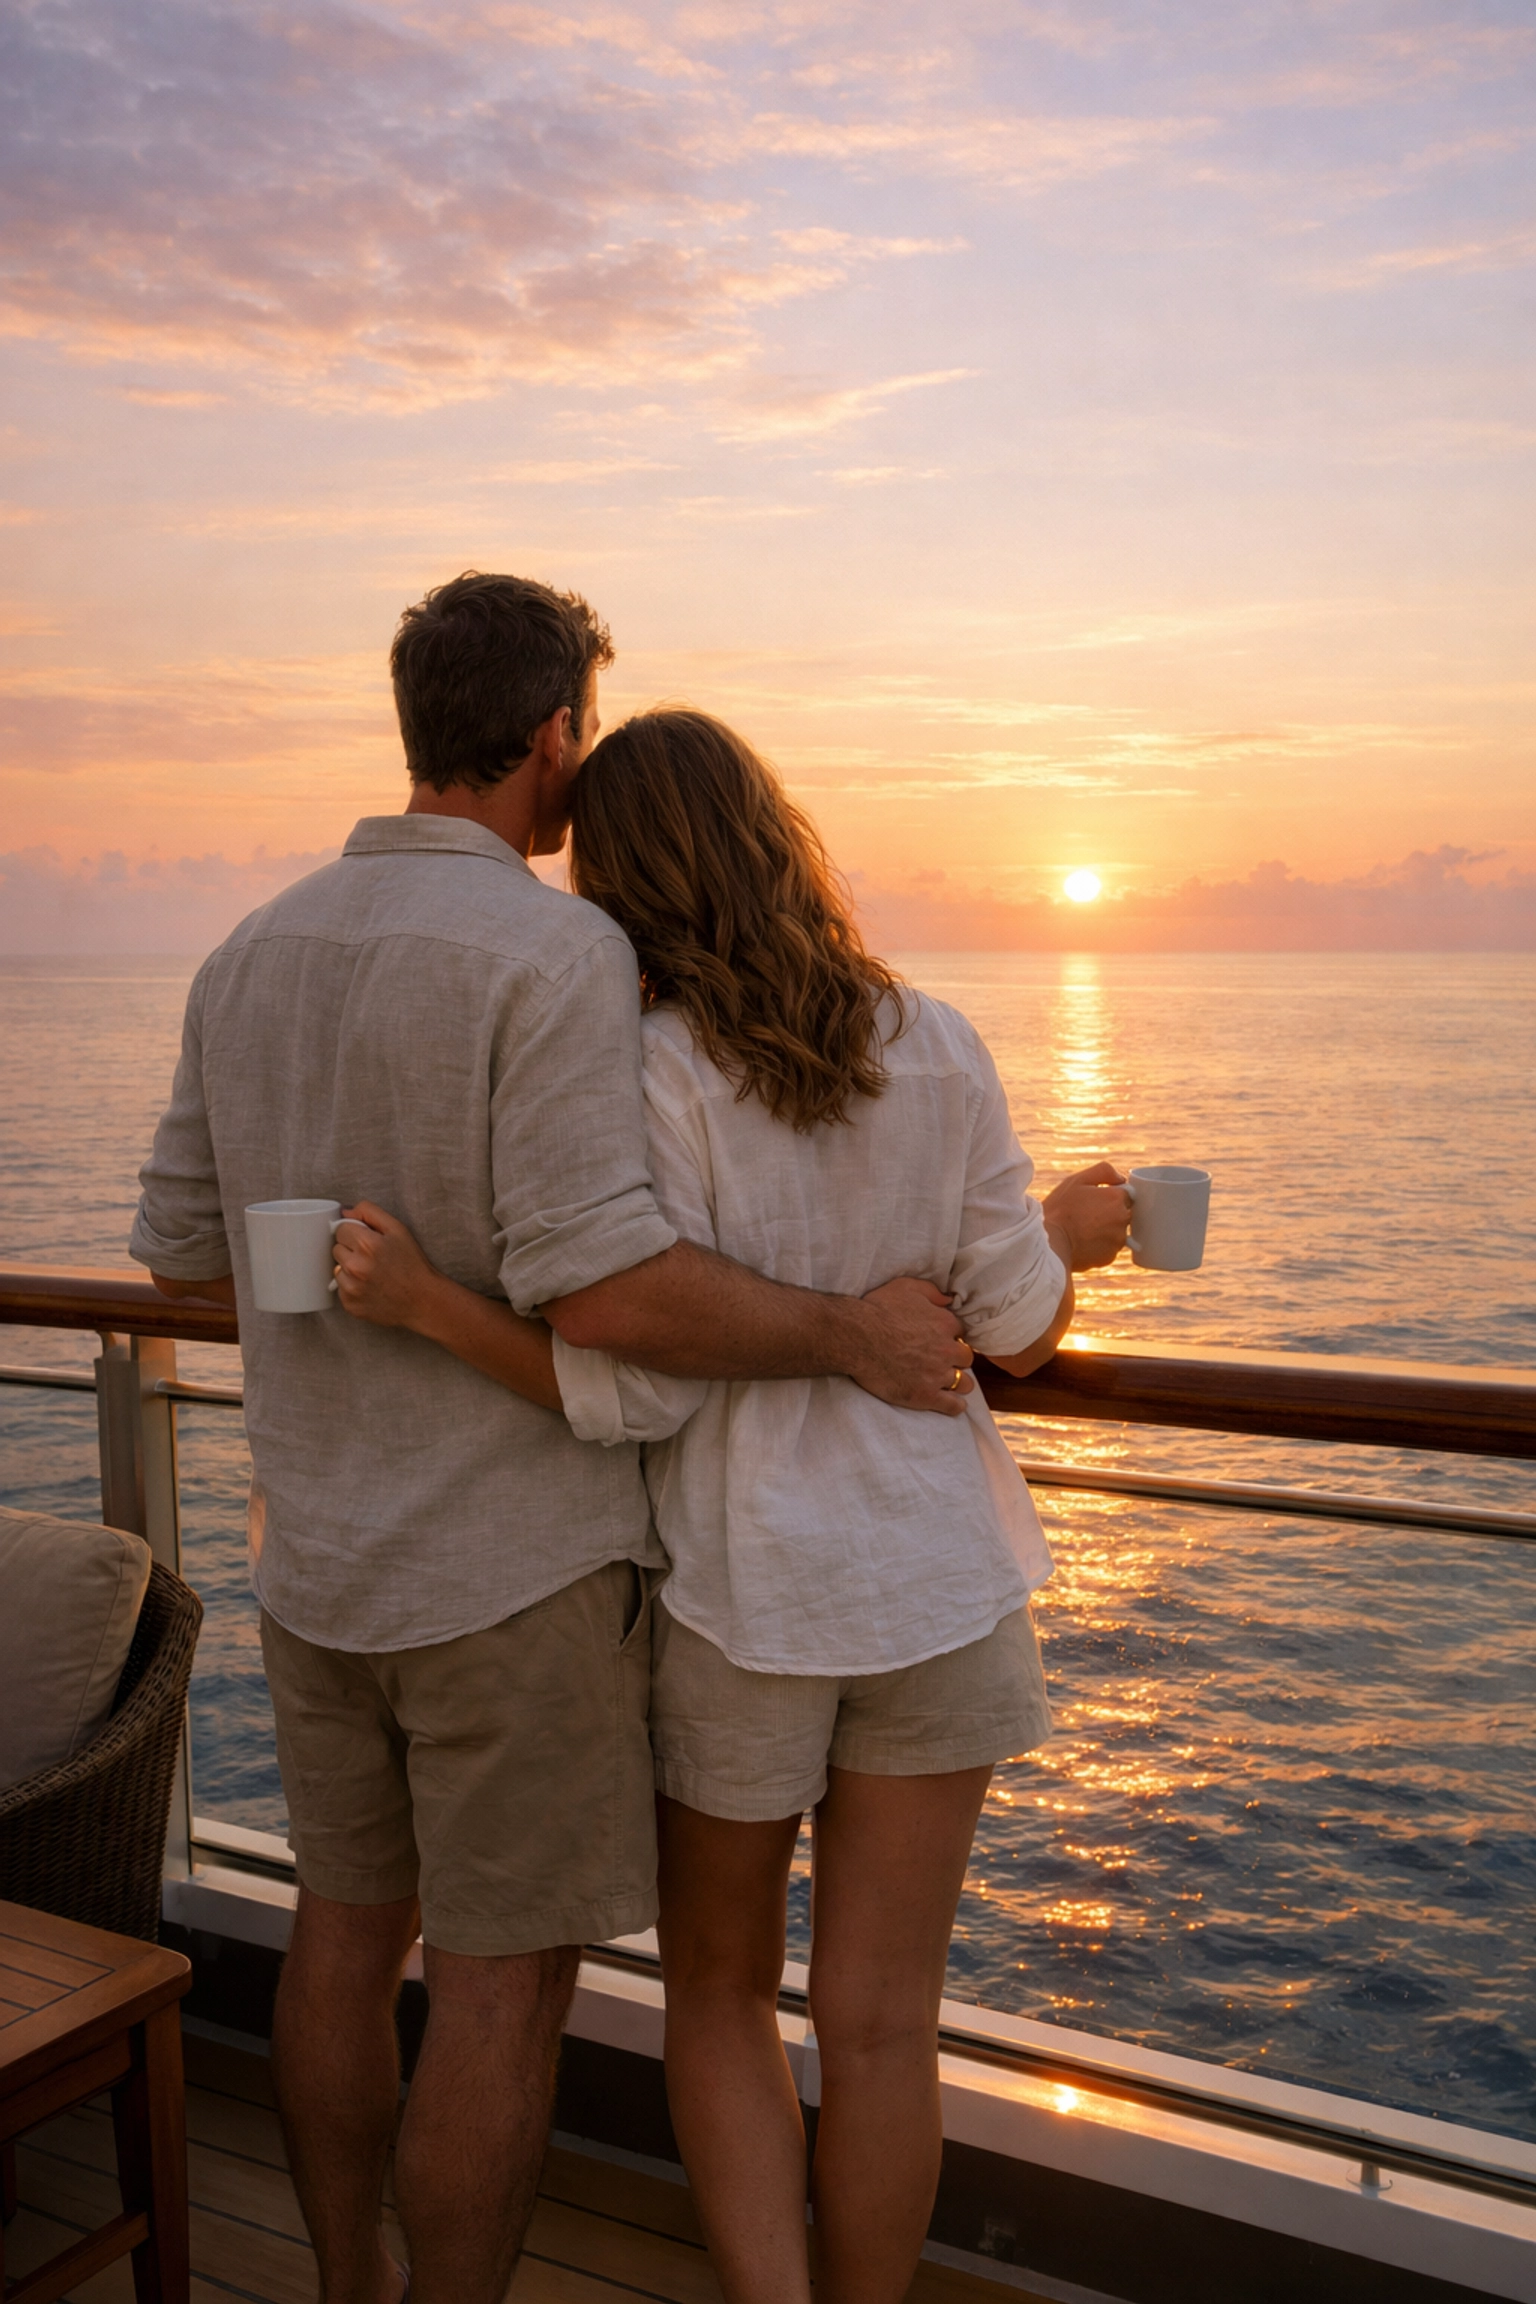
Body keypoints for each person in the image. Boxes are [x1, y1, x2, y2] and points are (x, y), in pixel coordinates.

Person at [129, 579, 980, 2304]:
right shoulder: (562, 953)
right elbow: (616, 1283)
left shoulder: (249, 948)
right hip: (516, 1570)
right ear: (553, 741)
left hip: (319, 1556)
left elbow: (175, 1247)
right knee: (505, 1984)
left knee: (342, 1944)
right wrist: (845, 1332)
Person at [332, 707, 1131, 2304]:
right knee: (887, 2025)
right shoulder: (937, 1036)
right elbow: (1022, 1330)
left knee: (718, 1996)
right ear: (778, 837)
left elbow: (639, 1360)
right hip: (937, 1585)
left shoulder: (647, 1073)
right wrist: (1069, 1240)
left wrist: (431, 1306)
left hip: (745, 1600)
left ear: (623, 882)